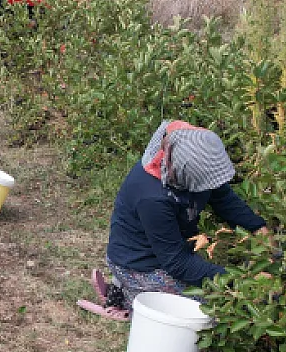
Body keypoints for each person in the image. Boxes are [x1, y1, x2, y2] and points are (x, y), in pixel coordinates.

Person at [80, 121, 268, 321]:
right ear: (180, 172)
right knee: (211, 309)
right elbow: (177, 263)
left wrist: (260, 230)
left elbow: (224, 199)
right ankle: (127, 295)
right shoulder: (152, 197)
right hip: (142, 263)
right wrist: (243, 279)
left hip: (170, 252)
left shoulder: (196, 159)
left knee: (225, 297)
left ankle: (129, 291)